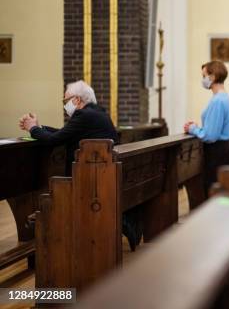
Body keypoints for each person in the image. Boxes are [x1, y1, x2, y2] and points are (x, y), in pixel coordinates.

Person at [18, 81, 143, 251]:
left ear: (76, 100)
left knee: (49, 197)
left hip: (91, 179)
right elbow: (64, 133)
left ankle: (59, 245)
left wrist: (32, 129)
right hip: (102, 172)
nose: (65, 106)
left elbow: (54, 140)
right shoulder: (97, 113)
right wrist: (39, 127)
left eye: (65, 101)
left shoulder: (83, 115)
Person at [184, 60, 229, 197]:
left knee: (214, 197)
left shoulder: (218, 101)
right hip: (222, 151)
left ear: (213, 77)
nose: (203, 80)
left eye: (204, 76)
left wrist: (192, 129)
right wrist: (197, 127)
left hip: (217, 154)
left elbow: (211, 135)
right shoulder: (223, 97)